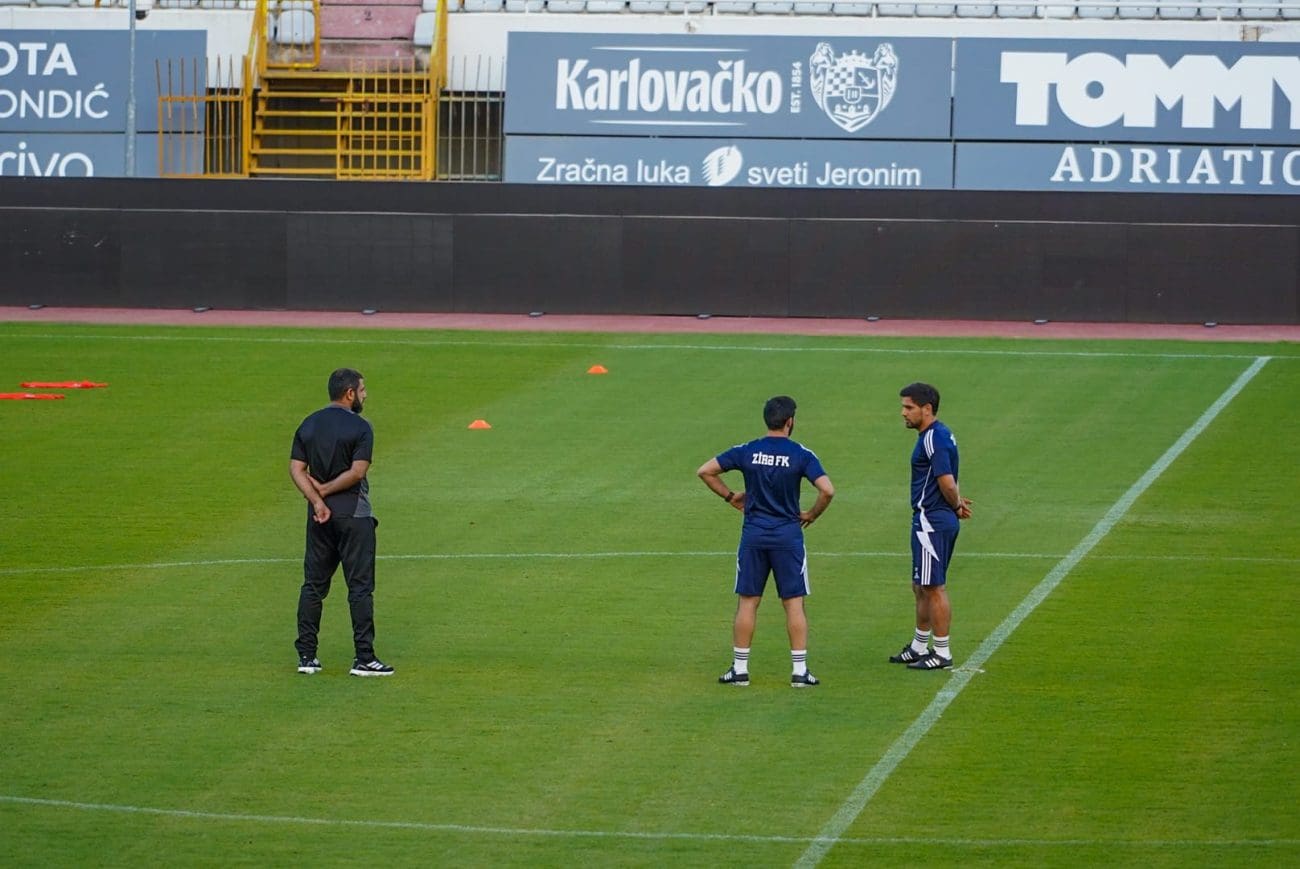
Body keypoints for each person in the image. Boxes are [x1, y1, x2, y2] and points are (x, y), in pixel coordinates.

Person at [697, 396, 835, 688]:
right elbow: (827, 490)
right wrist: (812, 514)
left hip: (754, 536)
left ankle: (740, 670)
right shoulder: (800, 454)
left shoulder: (747, 450)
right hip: (788, 537)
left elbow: (705, 471)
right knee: (793, 603)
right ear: (790, 421)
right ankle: (799, 672)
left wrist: (730, 496)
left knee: (748, 601)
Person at [289, 368, 394, 677]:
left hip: (319, 518)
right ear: (349, 393)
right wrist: (326, 491)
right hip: (354, 516)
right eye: (362, 390)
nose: (365, 395)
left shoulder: (309, 423)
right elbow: (358, 472)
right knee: (360, 588)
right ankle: (364, 658)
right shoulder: (361, 427)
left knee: (313, 586)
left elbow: (296, 469)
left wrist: (317, 501)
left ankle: (307, 656)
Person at [889, 382, 971, 671]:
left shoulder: (933, 437)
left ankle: (942, 652)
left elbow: (946, 481)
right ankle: (919, 646)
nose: (903, 413)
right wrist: (955, 502)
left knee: (934, 587)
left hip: (932, 521)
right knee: (921, 585)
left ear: (926, 408)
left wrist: (956, 504)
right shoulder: (938, 434)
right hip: (932, 518)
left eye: (909, 407)